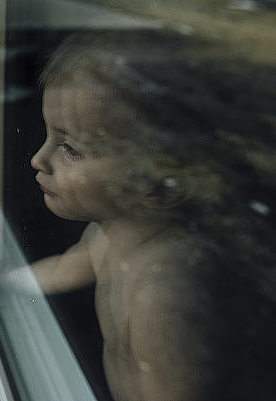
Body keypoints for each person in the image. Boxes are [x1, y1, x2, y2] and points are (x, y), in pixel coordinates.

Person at [24, 31, 276, 401]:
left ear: (162, 186)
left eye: (70, 147)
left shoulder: (166, 291)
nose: (38, 159)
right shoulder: (110, 231)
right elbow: (67, 267)